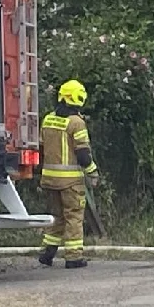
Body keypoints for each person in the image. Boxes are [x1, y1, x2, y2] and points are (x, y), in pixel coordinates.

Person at [38, 79, 101, 268]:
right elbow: (83, 154)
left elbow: (41, 148)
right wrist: (93, 173)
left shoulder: (48, 119)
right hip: (70, 182)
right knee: (73, 217)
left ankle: (47, 253)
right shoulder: (76, 123)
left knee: (56, 216)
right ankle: (73, 257)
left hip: (49, 179)